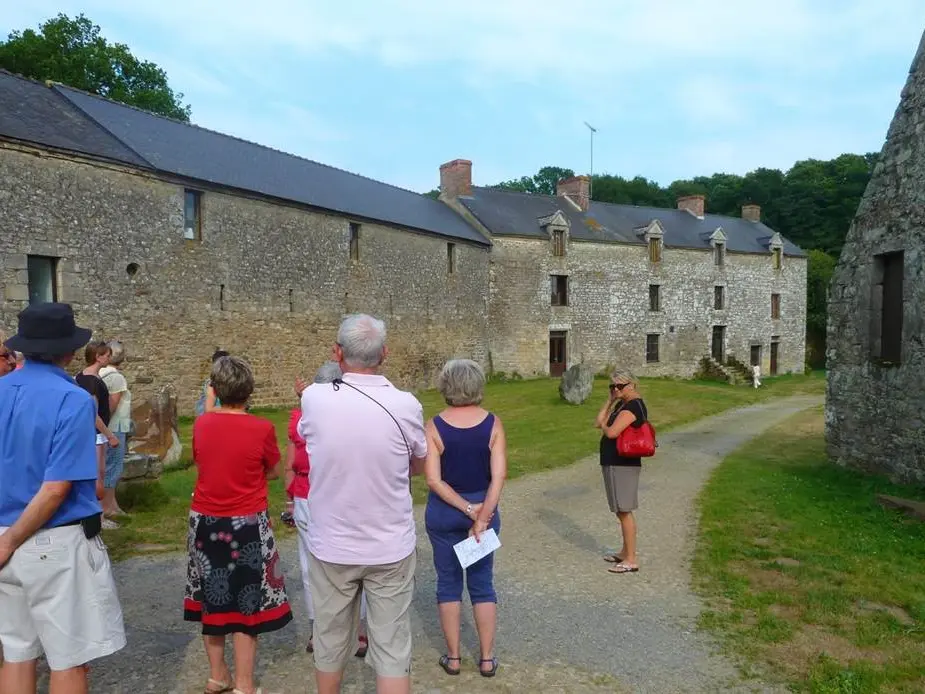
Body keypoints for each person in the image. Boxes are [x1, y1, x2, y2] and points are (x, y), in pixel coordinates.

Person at [0, 303, 126, 694]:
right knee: (69, 660)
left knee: (17, 653)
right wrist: (12, 539)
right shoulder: (72, 400)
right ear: (69, 351)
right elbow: (57, 488)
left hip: (4, 533)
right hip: (51, 542)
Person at [298, 314, 427, 694]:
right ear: (384, 354)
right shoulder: (406, 404)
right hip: (389, 545)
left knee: (330, 639)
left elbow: (311, 440)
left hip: (333, 544)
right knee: (391, 648)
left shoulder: (314, 398)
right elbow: (417, 465)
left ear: (337, 353)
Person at [185, 355, 291, 694]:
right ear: (249, 392)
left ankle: (217, 674)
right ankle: (244, 683)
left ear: (214, 389)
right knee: (247, 603)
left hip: (205, 520)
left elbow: (201, 459)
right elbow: (273, 470)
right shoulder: (262, 428)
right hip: (246, 521)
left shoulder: (202, 424)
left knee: (211, 598)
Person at [424, 359, 507, 678]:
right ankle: (486, 658)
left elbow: (434, 480)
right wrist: (481, 514)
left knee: (448, 583)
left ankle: (454, 657)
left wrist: (467, 510)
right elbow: (498, 477)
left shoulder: (434, 427)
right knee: (482, 583)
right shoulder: (494, 424)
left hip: (445, 513)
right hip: (483, 512)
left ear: (446, 386)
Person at [286, 361, 369, 658]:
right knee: (355, 562)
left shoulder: (300, 418)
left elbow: (293, 460)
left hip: (309, 495)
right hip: (343, 495)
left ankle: (319, 630)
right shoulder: (355, 418)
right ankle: (357, 631)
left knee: (313, 567)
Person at [595, 370, 649, 574]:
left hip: (624, 463)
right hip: (613, 462)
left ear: (632, 384)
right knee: (620, 509)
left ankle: (631, 559)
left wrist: (606, 426)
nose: (616, 389)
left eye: (620, 386)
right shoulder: (621, 404)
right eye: (612, 386)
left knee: (625, 510)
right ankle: (625, 552)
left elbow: (611, 431)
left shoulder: (634, 406)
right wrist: (609, 401)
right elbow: (598, 422)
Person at [75, 341, 120, 529]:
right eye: (106, 355)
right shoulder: (91, 381)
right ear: (98, 356)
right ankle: (97, 518)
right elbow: (92, 413)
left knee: (97, 474)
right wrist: (110, 435)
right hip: (95, 434)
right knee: (97, 476)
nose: (109, 358)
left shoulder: (81, 376)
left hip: (91, 433)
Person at [99, 340, 132, 518]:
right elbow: (112, 405)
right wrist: (107, 432)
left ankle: (113, 504)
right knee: (112, 467)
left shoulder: (101, 373)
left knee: (108, 466)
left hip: (106, 428)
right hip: (114, 426)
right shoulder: (116, 377)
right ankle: (107, 507)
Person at [196, 349, 230, 416]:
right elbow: (209, 409)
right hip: (214, 419)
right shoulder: (212, 383)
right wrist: (232, 408)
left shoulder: (228, 380)